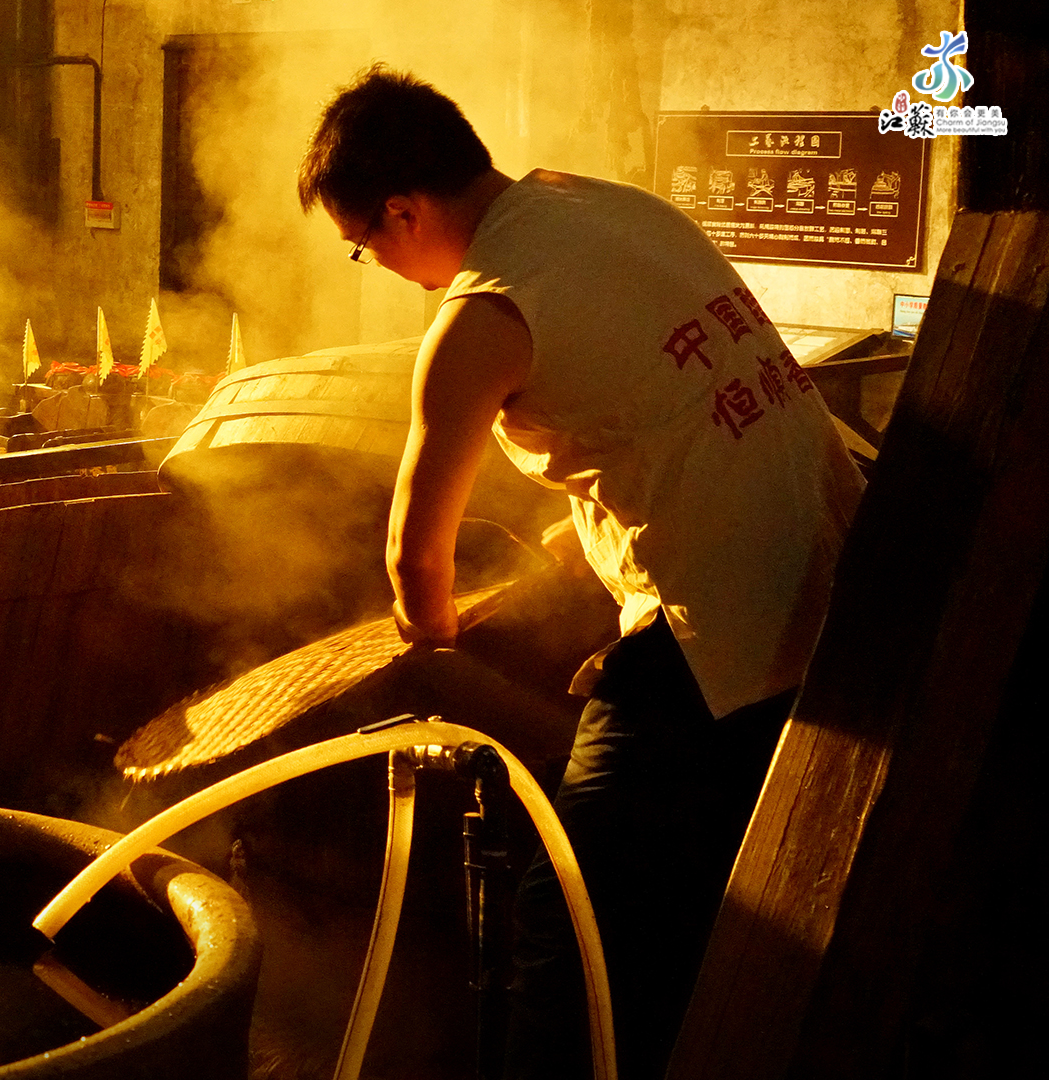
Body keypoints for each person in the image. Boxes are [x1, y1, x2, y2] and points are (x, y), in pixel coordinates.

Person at [297, 67, 864, 1080]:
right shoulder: (600, 207)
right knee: (692, 904)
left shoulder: (480, 313)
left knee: (570, 921)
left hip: (718, 639)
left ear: (401, 211)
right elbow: (660, 414)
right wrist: (585, 537)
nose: (378, 263)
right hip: (838, 581)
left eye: (365, 245)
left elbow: (413, 556)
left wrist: (428, 630)